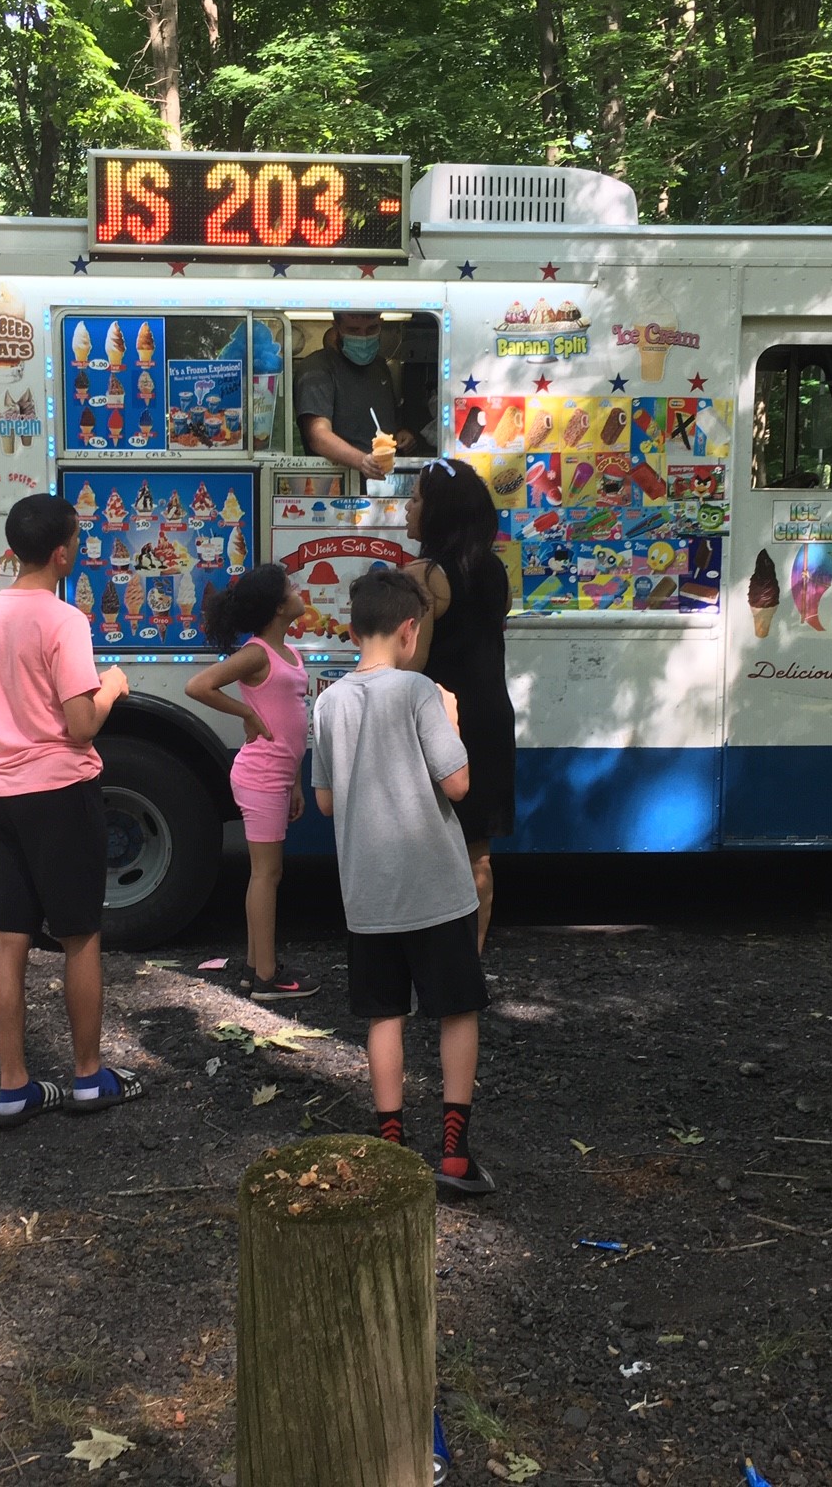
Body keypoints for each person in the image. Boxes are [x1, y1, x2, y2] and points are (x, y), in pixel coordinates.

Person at [0, 494, 144, 1126]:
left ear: (13, 548)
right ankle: (89, 1078)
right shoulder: (65, 621)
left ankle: (14, 1087)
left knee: (8, 939)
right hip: (62, 795)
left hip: (3, 797)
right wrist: (113, 685)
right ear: (62, 553)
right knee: (79, 937)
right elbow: (81, 725)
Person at [312, 569, 495, 1195]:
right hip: (435, 886)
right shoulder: (419, 691)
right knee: (455, 1010)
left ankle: (389, 1151)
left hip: (367, 891)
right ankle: (454, 1155)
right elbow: (458, 784)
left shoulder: (328, 701)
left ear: (356, 627)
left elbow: (328, 803)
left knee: (384, 1014)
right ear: (410, 629)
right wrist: (452, 720)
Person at [184, 564, 321, 1002]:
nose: (299, 592)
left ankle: (252, 965)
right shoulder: (258, 652)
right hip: (259, 775)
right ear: (280, 607)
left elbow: (293, 728)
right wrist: (245, 713)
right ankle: (267, 977)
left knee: (268, 873)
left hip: (279, 776)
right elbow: (199, 685)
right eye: (291, 589)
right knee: (267, 873)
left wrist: (296, 781)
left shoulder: (288, 653)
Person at [404, 459, 518, 953]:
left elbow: (410, 667)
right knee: (478, 855)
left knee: (425, 849)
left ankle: (428, 956)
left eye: (415, 499)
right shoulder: (493, 570)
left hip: (440, 725)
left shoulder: (421, 576)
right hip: (491, 719)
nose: (407, 508)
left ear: (439, 512)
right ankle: (468, 960)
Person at [295, 311, 423, 480]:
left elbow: (386, 422)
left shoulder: (380, 367)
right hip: (338, 484)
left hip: (385, 484)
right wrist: (362, 461)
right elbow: (318, 436)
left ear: (381, 324)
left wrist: (401, 436)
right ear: (337, 327)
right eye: (354, 330)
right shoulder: (316, 368)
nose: (363, 337)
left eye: (371, 329)